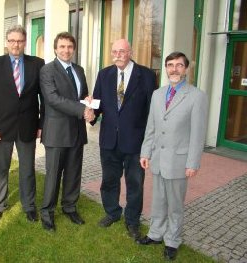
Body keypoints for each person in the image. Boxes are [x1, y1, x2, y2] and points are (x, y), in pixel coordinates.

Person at [137, 52, 208, 261]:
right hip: (158, 159)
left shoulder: (196, 96)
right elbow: (151, 127)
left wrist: (193, 162)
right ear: (166, 68)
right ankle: (155, 234)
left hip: (179, 160)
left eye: (179, 65)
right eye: (170, 65)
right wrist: (145, 152)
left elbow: (198, 133)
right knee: (158, 200)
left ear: (186, 69)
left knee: (175, 205)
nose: (174, 69)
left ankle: (172, 240)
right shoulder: (158, 94)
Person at [91, 39, 156, 240]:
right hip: (109, 140)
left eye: (122, 51)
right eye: (114, 51)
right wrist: (91, 114)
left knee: (135, 183)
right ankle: (112, 212)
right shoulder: (104, 74)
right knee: (109, 180)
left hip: (135, 141)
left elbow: (151, 110)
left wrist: (149, 141)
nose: (117, 55)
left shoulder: (146, 75)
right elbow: (97, 104)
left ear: (130, 52)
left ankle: (132, 220)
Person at [0, 25, 45, 223]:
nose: (15, 44)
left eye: (19, 40)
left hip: (28, 125)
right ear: (6, 42)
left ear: (25, 42)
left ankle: (29, 206)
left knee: (27, 169)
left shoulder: (37, 64)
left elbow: (43, 98)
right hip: (1, 128)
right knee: (0, 169)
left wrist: (41, 124)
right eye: (12, 40)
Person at [39, 32, 94, 231]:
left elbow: (82, 95)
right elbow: (53, 99)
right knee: (53, 175)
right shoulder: (47, 70)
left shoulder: (79, 70)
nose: (66, 50)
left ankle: (69, 207)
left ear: (74, 49)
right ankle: (47, 212)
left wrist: (88, 102)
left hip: (77, 131)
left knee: (73, 173)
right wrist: (82, 110)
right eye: (62, 46)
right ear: (55, 49)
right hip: (57, 132)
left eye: (69, 47)